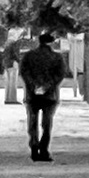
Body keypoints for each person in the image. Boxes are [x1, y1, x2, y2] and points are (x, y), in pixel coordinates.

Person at [18, 29, 71, 162]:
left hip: (32, 94)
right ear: (51, 43)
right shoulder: (57, 57)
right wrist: (47, 86)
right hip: (50, 95)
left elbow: (24, 72)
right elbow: (60, 75)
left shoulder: (29, 56)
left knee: (32, 121)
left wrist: (33, 85)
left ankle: (34, 147)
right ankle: (44, 149)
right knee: (47, 124)